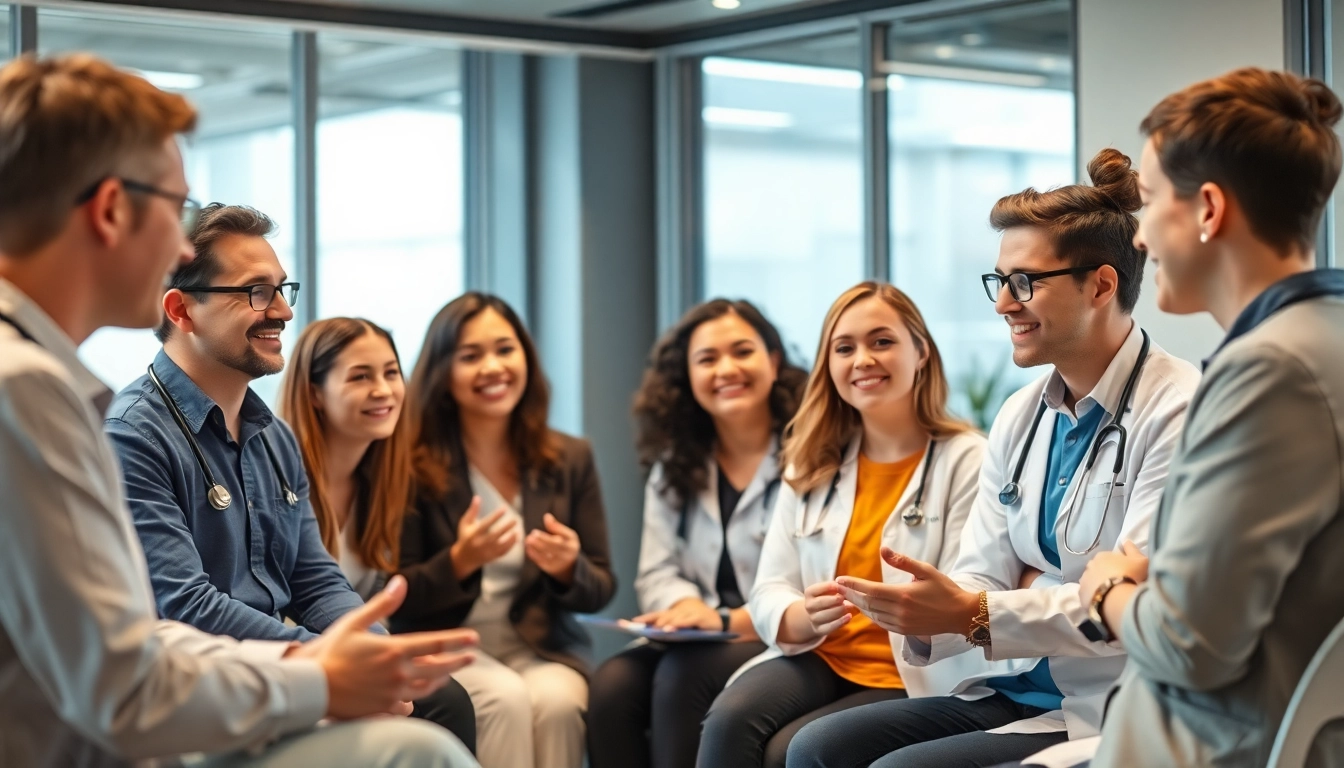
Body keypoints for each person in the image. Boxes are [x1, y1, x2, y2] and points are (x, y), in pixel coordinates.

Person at [0, 53, 477, 768]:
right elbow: (127, 677)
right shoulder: (31, 392)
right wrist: (316, 673)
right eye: (173, 206)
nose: (179, 246)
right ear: (109, 210)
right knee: (415, 752)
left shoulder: (262, 430)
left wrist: (346, 660)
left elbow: (136, 635)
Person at [784, 149, 1201, 768]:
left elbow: (1127, 601)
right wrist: (930, 608)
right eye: (999, 281)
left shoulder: (1177, 408)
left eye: (1024, 282)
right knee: (817, 748)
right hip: (1014, 687)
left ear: (1102, 285)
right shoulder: (1020, 413)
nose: (1004, 303)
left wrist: (981, 608)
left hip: (1113, 702)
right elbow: (985, 572)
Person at [1077, 67, 1344, 768]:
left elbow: (1188, 646)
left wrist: (1105, 584)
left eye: (1151, 202)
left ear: (1208, 210)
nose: (1138, 239)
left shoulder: (1271, 370)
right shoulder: (1325, 340)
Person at [695, 282, 989, 768]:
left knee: (786, 751)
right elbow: (770, 586)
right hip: (822, 655)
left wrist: (911, 607)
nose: (862, 360)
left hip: (910, 672)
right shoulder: (813, 461)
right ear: (828, 366)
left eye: (882, 341)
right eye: (844, 348)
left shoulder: (967, 460)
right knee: (729, 721)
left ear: (920, 352)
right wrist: (800, 617)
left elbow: (970, 592)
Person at [393, 292, 616, 768]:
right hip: (448, 645)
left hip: (540, 647)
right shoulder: (408, 462)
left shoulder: (569, 458)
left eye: (504, 349)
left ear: (526, 358)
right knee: (504, 700)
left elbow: (600, 588)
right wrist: (459, 563)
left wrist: (567, 569)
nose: (492, 367)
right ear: (442, 371)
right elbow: (396, 592)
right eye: (470, 356)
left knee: (558, 703)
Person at [587, 299, 808, 768]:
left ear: (772, 362)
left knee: (684, 673)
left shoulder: (812, 456)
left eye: (742, 352)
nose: (726, 369)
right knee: (612, 685)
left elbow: (815, 575)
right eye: (707, 359)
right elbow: (656, 572)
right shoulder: (675, 467)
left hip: (776, 633)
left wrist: (725, 621)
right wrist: (690, 610)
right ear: (687, 377)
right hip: (699, 634)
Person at [278, 316, 478, 751]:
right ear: (314, 393)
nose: (384, 390)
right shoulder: (280, 480)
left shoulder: (387, 483)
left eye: (391, 373)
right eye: (361, 377)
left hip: (367, 651)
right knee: (449, 702)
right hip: (298, 660)